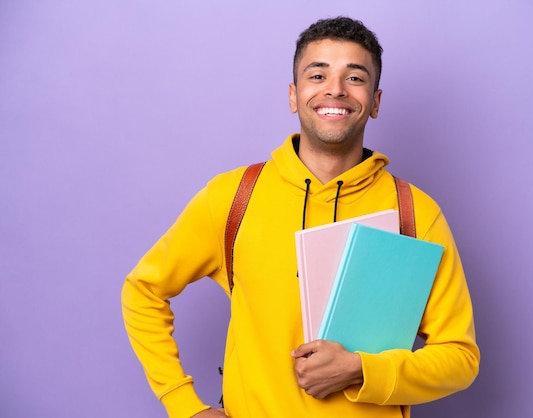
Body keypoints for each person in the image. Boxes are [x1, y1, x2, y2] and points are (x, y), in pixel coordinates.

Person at [121, 16, 480, 418]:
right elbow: (143, 291)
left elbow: (460, 358)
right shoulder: (233, 197)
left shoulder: (415, 212)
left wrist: (361, 369)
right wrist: (183, 405)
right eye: (318, 74)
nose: (335, 89)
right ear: (294, 95)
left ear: (375, 102)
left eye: (355, 78)